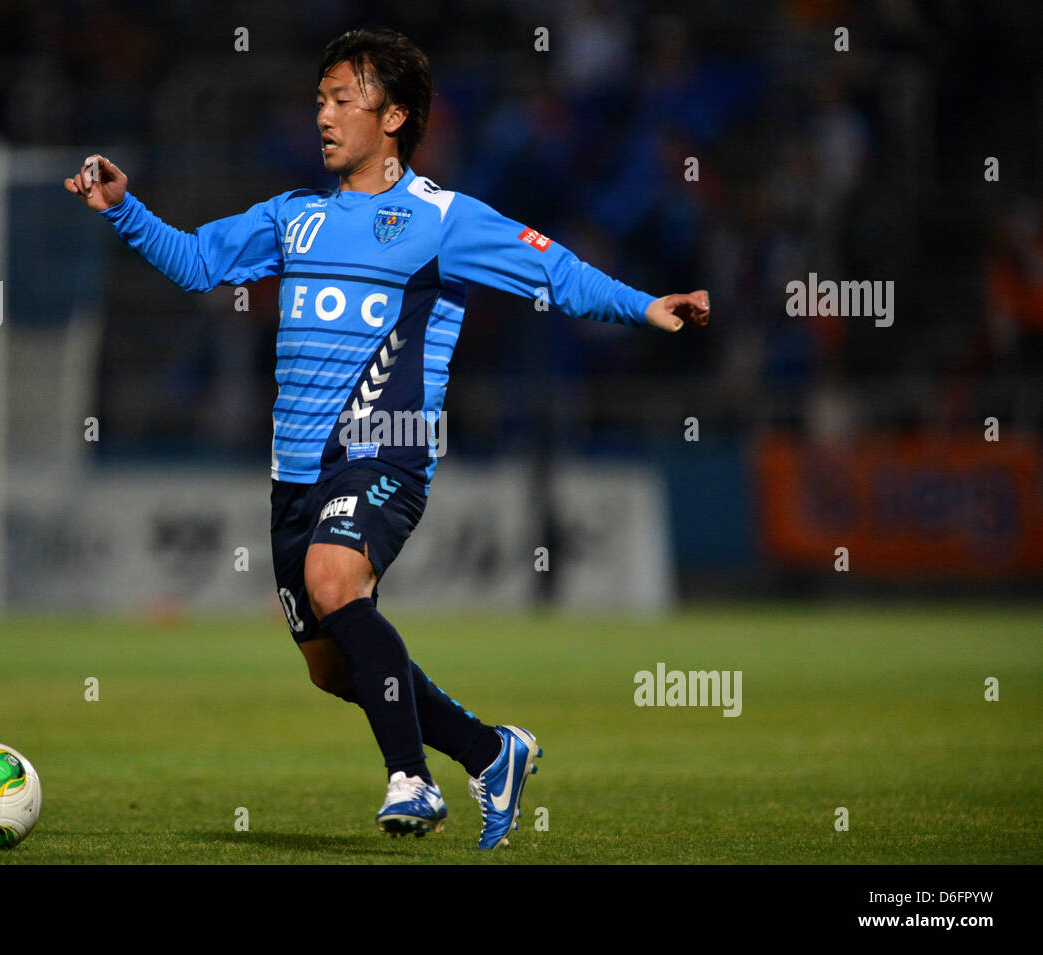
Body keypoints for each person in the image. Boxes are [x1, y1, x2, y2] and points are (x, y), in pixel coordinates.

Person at [66, 29, 708, 848]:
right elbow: (197, 263)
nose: (325, 116)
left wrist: (646, 305)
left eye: (344, 100)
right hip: (294, 473)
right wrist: (124, 208)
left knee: (338, 579)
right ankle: (491, 750)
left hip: (385, 451)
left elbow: (552, 270)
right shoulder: (292, 218)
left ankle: (411, 779)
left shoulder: (441, 220)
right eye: (321, 100)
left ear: (394, 115)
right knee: (333, 666)